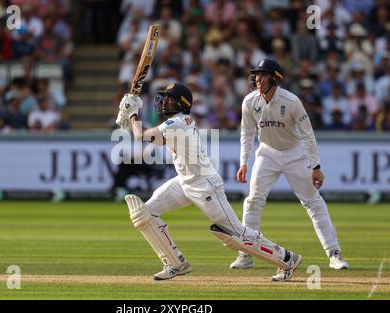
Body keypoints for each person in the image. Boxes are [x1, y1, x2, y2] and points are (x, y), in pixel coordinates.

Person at [115, 82, 303, 281]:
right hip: (184, 183)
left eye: (169, 98)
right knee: (144, 213)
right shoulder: (175, 124)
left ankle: (287, 259)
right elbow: (148, 137)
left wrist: (133, 112)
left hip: (205, 186)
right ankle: (175, 263)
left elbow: (140, 135)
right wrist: (128, 117)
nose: (164, 102)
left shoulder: (177, 123)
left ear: (181, 103)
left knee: (236, 236)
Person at [231, 59, 349, 274]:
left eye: (264, 75)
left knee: (313, 202)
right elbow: (246, 133)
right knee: (253, 200)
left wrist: (316, 166)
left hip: (295, 154)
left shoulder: (291, 101)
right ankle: (246, 253)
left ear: (275, 78)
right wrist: (243, 162)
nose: (258, 79)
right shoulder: (249, 102)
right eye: (257, 75)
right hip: (266, 154)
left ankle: (334, 253)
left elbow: (308, 135)